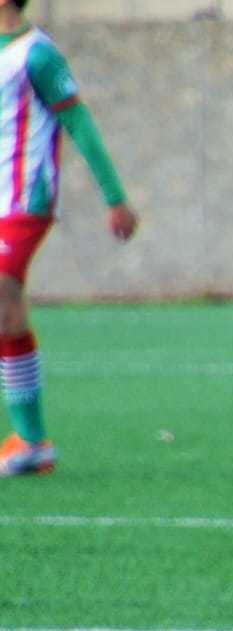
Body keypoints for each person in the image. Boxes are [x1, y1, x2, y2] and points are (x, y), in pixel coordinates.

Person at [0, 0, 138, 476]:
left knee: (1, 292)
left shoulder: (37, 55)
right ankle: (31, 442)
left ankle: (31, 441)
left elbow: (77, 121)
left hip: (24, 201)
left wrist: (115, 197)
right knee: (7, 311)